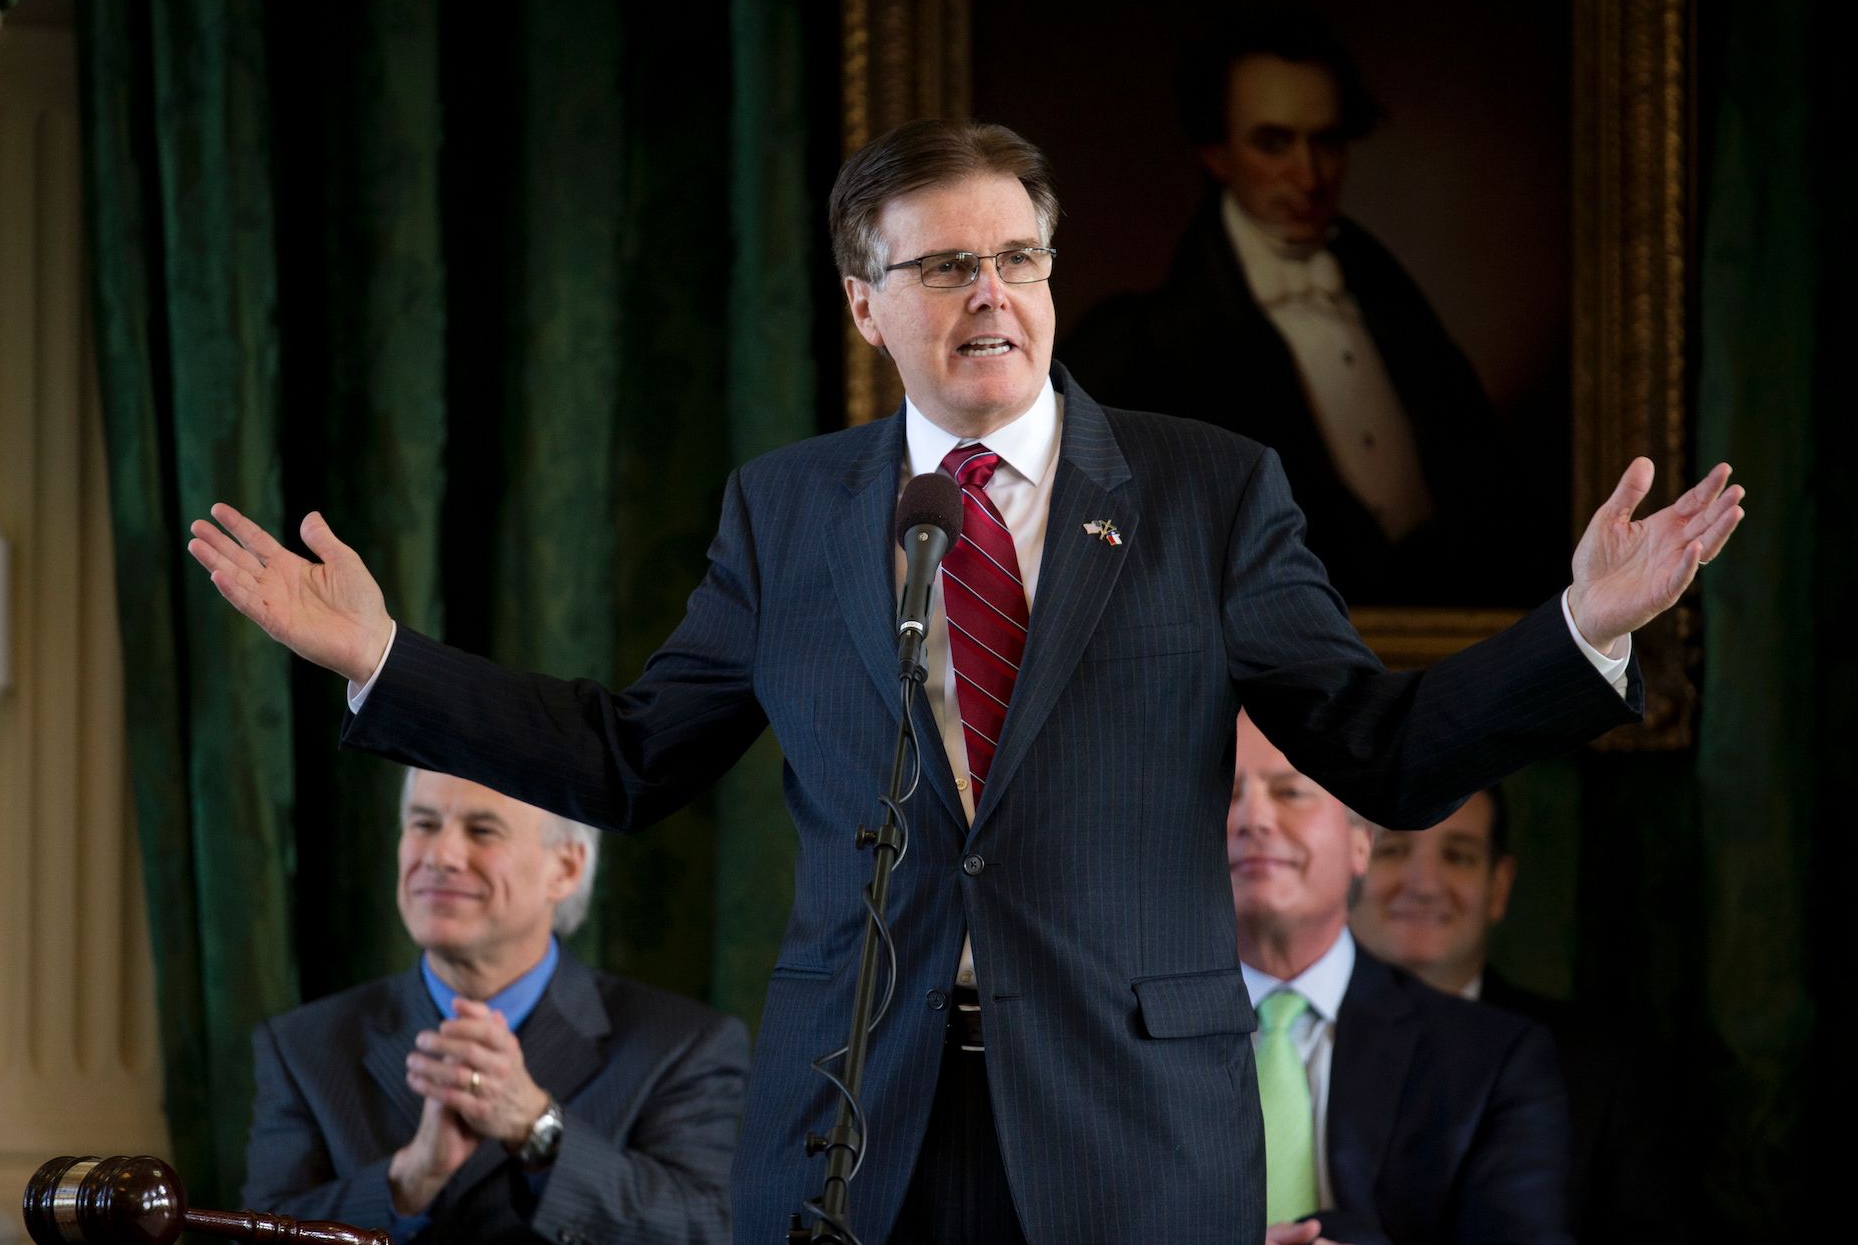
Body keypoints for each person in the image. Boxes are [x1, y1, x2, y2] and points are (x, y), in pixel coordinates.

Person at [188, 117, 1743, 1242]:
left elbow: (1384, 753)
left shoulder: (1210, 493)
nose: (992, 293)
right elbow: (626, 755)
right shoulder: (789, 511)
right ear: (867, 307)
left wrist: (1576, 627)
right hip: (854, 1120)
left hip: (1131, 1127)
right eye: (944, 266)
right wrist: (380, 659)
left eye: (1018, 257)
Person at [1063, 14, 1546, 605]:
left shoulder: (1399, 309)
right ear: (1217, 153)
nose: (1309, 175)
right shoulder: (1144, 343)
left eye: (1327, 142)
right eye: (1273, 143)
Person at [241, 768, 748, 1244]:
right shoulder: (302, 1046)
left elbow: (710, 1230)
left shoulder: (684, 1046)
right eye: (423, 823)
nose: (440, 855)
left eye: (482, 830)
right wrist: (410, 1180)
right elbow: (259, 1235)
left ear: (566, 868)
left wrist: (536, 1128)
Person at [1232, 713, 1570, 1245]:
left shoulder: (1490, 1058)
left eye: (1290, 792)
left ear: (1361, 842)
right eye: (1223, 797)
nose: (1253, 819)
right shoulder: (1105, 1038)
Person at [1351, 785, 1672, 1241]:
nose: (1422, 884)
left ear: (1498, 887)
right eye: (1394, 849)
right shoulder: (1274, 1040)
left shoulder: (1596, 1070)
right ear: (1347, 863)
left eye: (1458, 856)